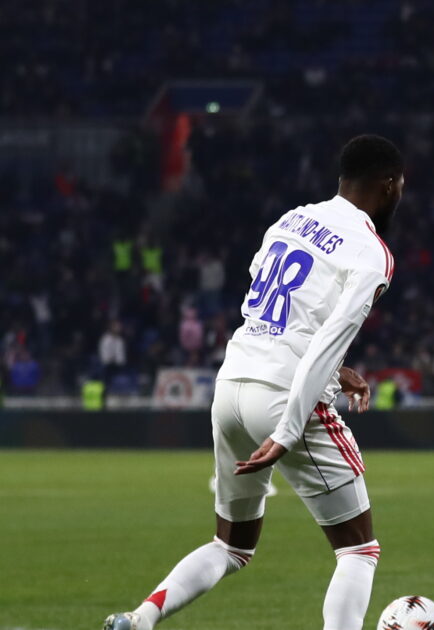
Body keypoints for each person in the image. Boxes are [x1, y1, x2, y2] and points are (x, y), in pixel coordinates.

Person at [103, 134, 405, 630]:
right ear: (389, 185)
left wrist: (331, 373)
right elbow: (328, 340)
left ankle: (138, 619)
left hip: (232, 385)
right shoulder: (372, 252)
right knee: (357, 549)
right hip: (285, 397)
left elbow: (276, 314)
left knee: (230, 546)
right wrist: (287, 431)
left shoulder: (291, 220)